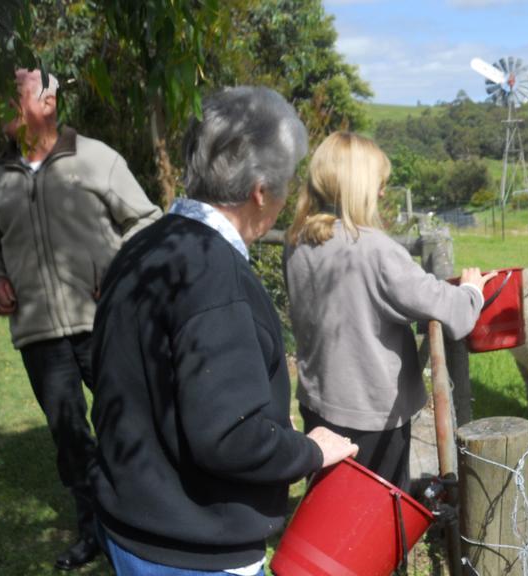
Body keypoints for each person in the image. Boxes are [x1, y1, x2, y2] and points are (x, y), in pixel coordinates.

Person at [88, 87, 359, 576]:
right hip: (192, 550)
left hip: (130, 526)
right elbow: (231, 436)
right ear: (260, 192)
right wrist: (311, 450)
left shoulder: (142, 245)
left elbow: (112, 370)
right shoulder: (217, 276)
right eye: (287, 183)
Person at [0, 68, 162, 570]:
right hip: (38, 335)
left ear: (48, 104)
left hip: (104, 325)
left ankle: (154, 520)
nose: (4, 110)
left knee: (132, 422)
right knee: (70, 440)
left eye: (13, 99)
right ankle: (96, 533)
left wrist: (120, 269)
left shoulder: (97, 159)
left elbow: (148, 221)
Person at [284, 131, 495, 493]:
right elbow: (449, 310)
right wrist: (473, 291)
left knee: (328, 505)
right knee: (377, 515)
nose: (383, 193)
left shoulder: (299, 241)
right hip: (372, 416)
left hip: (318, 401)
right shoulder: (376, 251)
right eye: (379, 184)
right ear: (358, 188)